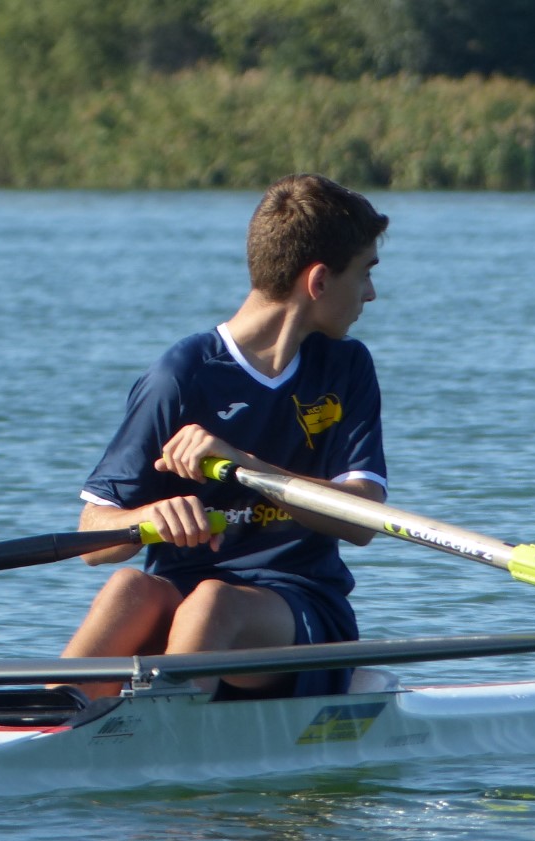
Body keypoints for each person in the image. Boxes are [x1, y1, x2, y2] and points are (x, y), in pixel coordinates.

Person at [62, 173, 390, 700]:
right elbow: (92, 538)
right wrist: (149, 519)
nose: (370, 294)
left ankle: (160, 718)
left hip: (300, 608)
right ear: (319, 281)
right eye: (365, 273)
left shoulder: (345, 366)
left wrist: (247, 466)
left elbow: (363, 518)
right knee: (128, 587)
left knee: (214, 601)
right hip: (181, 597)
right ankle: (43, 717)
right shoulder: (180, 376)